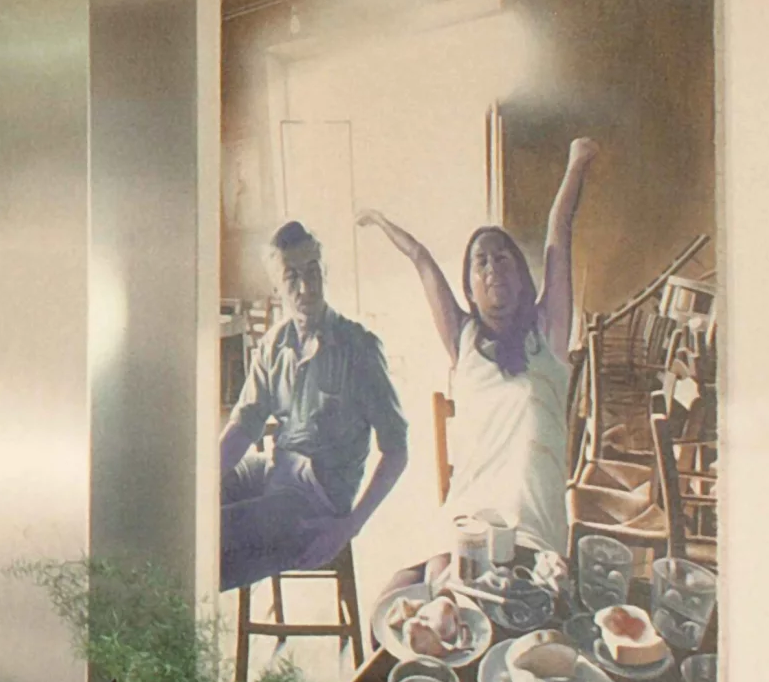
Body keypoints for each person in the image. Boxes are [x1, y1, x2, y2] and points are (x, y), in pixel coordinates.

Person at [357, 137, 600, 560]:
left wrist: (576, 161)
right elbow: (421, 258)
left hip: (532, 525)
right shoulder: (463, 340)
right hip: (468, 518)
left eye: (502, 258)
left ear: (523, 277)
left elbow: (559, 229)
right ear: (469, 288)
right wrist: (379, 219)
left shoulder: (549, 332)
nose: (492, 268)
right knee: (402, 597)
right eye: (480, 262)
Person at [217, 221, 410, 592]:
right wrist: (201, 485)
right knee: (192, 510)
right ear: (276, 286)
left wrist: (349, 527)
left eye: (313, 271)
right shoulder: (274, 344)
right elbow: (243, 425)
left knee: (211, 538)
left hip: (317, 500)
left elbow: (397, 451)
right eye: (292, 277)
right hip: (275, 472)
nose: (306, 287)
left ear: (324, 269)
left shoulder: (360, 349)